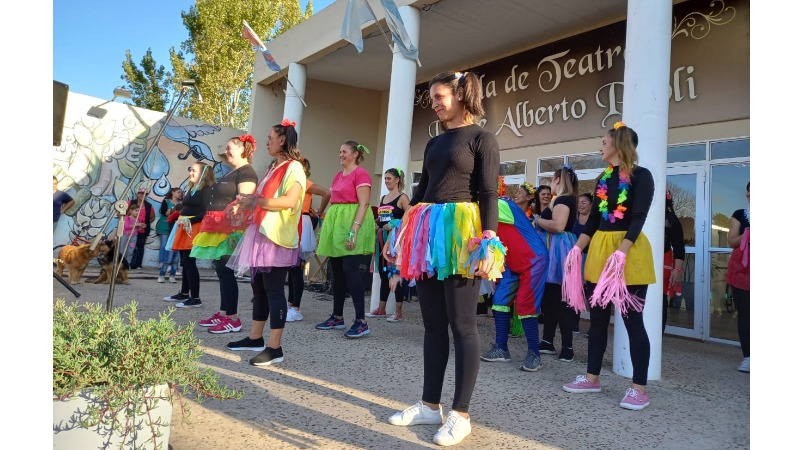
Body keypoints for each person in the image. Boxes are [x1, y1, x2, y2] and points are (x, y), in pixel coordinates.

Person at [382, 71, 502, 447]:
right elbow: (420, 193)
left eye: (440, 96)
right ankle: (429, 405)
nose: (434, 102)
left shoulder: (483, 138)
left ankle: (460, 414)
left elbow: (488, 193)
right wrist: (398, 234)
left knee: (463, 325)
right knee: (433, 324)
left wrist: (489, 239)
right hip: (427, 232)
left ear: (462, 95)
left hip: (463, 235)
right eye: (431, 97)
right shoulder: (434, 142)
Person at [561, 121, 656, 412]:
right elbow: (593, 221)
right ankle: (592, 377)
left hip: (627, 252)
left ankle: (639, 388)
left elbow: (638, 217)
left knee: (632, 322)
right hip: (601, 250)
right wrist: (576, 250)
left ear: (618, 143)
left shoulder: (642, 176)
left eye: (604, 141)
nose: (600, 146)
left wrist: (622, 253)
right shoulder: (604, 177)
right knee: (597, 321)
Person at [225, 119, 306, 366]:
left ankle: (275, 348)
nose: (267, 141)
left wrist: (255, 203)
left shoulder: (294, 167)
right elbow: (262, 197)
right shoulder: (274, 167)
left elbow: (290, 201)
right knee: (258, 289)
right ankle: (255, 338)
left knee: (273, 290)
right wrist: (244, 203)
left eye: (271, 137)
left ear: (283, 140)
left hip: (277, 237)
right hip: (262, 233)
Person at [192, 135, 259, 333]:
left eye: (229, 148)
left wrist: (233, 229)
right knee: (221, 270)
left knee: (226, 271)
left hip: (230, 229)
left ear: (241, 149)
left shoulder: (246, 172)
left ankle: (233, 319)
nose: (226, 151)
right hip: (218, 226)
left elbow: (244, 201)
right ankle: (223, 313)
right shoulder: (233, 172)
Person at [480, 194, 549, 372]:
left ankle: (535, 354)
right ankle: (501, 348)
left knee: (526, 306)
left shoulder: (501, 205)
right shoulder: (483, 207)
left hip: (533, 261)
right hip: (510, 263)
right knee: (500, 302)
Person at [314, 140, 375, 338]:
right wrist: (325, 230)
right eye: (339, 151)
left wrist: (353, 230)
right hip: (336, 225)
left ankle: (361, 321)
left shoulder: (361, 174)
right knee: (337, 271)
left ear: (355, 154)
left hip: (352, 224)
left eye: (344, 151)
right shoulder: (338, 175)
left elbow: (364, 204)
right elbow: (334, 202)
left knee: (351, 271)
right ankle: (337, 317)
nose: (340, 154)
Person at [535, 166, 579, 362]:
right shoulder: (565, 200)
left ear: (558, 180)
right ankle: (548, 341)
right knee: (553, 299)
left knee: (561, 300)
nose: (551, 184)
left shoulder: (562, 200)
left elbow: (558, 225)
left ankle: (566, 346)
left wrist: (537, 220)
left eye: (552, 180)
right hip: (558, 250)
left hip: (558, 251)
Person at [163, 162, 215, 308]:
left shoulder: (206, 190)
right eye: (190, 170)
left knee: (189, 262)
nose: (190, 172)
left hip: (193, 227)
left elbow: (207, 211)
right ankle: (184, 293)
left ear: (203, 173)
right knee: (184, 262)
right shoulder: (192, 188)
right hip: (184, 226)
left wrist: (191, 220)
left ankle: (196, 298)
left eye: (194, 170)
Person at [286, 157, 331, 323]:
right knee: (291, 267)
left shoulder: (305, 182)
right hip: (291, 223)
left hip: (301, 223)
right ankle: (291, 303)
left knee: (296, 267)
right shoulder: (292, 182)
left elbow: (327, 193)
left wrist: (320, 211)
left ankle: (296, 307)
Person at [366, 167, 410, 322]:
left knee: (395, 274)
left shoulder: (403, 198)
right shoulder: (384, 197)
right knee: (384, 274)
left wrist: (395, 223)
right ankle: (381, 309)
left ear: (397, 180)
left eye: (389, 178)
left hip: (395, 242)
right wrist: (371, 223)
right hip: (381, 241)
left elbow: (410, 216)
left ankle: (398, 312)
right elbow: (381, 218)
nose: (386, 181)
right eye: (385, 178)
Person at [726, 181, 750, 373]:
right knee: (745, 314)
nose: (749, 194)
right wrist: (747, 235)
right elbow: (731, 241)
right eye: (748, 191)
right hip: (742, 273)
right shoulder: (740, 214)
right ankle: (748, 357)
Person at [662, 189, 686, 333]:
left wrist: (677, 270)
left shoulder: (670, 219)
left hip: (662, 261)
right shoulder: (641, 214)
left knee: (660, 299)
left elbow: (679, 247)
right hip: (640, 260)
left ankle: (657, 335)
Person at [571, 193, 593, 335]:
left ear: (591, 204)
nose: (580, 205)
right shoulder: (574, 219)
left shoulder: (595, 220)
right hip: (577, 258)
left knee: (591, 291)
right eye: (579, 202)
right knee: (576, 289)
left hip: (591, 258)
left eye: (584, 202)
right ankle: (574, 324)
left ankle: (594, 326)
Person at [156, 188, 183, 282]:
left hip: (177, 235)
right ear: (173, 192)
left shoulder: (181, 204)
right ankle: (162, 270)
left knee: (176, 258)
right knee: (166, 249)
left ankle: (173, 274)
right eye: (178, 192)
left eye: (181, 192)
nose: (180, 194)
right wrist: (173, 209)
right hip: (166, 230)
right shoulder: (166, 202)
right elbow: (165, 213)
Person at [128, 187, 156, 269]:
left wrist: (145, 223)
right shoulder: (130, 202)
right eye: (140, 193)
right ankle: (127, 263)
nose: (142, 195)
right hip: (129, 229)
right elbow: (123, 213)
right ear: (137, 194)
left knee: (140, 246)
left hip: (142, 230)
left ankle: (138, 264)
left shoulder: (148, 206)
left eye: (144, 194)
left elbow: (152, 217)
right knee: (128, 246)